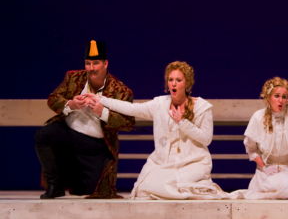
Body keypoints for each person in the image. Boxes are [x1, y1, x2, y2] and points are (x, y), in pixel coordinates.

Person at [85, 61, 228, 200]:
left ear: (187, 83)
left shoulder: (201, 107)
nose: (173, 83)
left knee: (173, 186)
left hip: (194, 162)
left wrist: (183, 122)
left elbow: (206, 139)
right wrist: (101, 99)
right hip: (164, 162)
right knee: (145, 188)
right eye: (171, 79)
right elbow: (132, 108)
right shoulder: (160, 104)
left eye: (178, 80)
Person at [35, 40, 135, 199]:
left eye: (96, 63)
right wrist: (71, 104)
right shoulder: (74, 77)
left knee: (86, 190)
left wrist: (102, 112)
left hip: (95, 145)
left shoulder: (120, 90)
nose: (91, 68)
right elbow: (53, 98)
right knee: (45, 134)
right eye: (88, 63)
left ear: (105, 64)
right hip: (68, 134)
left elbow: (128, 123)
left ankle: (81, 182)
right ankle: (55, 185)